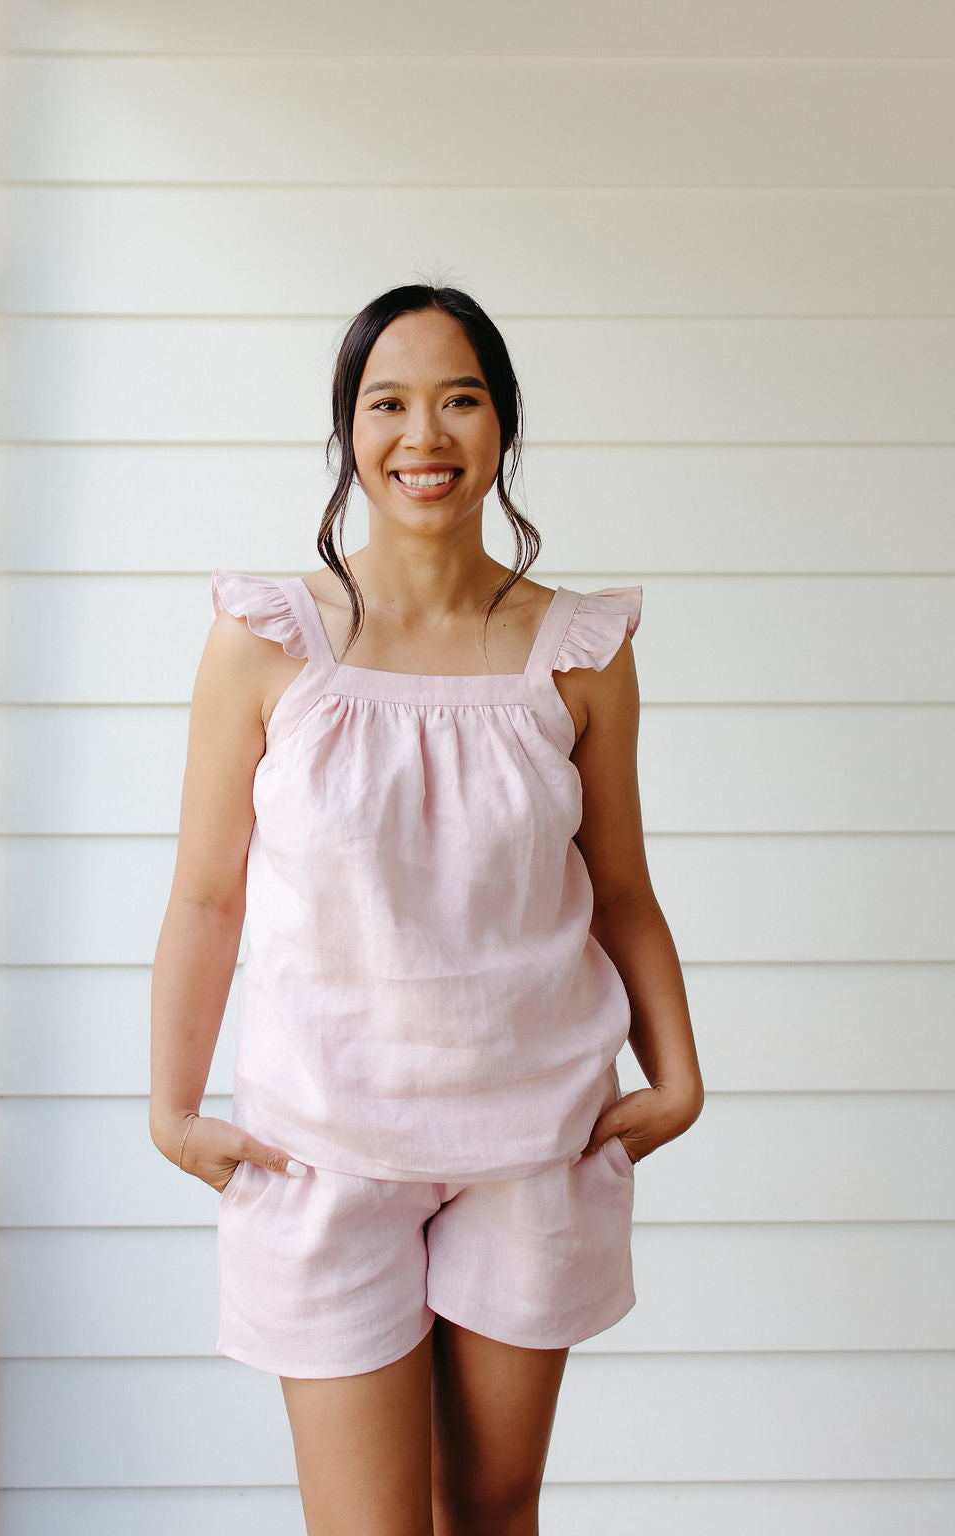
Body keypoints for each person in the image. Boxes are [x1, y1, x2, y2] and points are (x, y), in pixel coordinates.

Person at [149, 282, 704, 1536]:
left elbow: (620, 887)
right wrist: (173, 1110)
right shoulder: (266, 640)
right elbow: (204, 892)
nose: (424, 436)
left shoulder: (581, 652)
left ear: (503, 425)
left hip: (531, 1143)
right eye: (386, 403)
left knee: (492, 1512)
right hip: (322, 1147)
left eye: (459, 400)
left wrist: (678, 1077)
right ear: (347, 431)